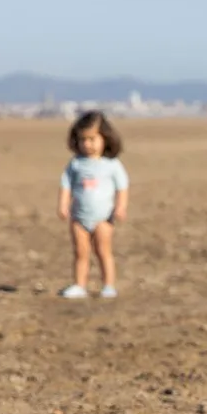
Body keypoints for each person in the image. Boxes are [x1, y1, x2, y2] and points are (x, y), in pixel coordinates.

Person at [57, 110, 130, 299]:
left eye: (92, 139)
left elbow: (122, 186)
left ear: (104, 138)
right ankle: (80, 285)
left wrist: (120, 207)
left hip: (103, 217)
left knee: (103, 251)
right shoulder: (75, 164)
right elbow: (66, 185)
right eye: (83, 140)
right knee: (81, 253)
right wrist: (63, 205)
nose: (87, 144)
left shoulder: (111, 164)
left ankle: (108, 285)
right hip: (79, 217)